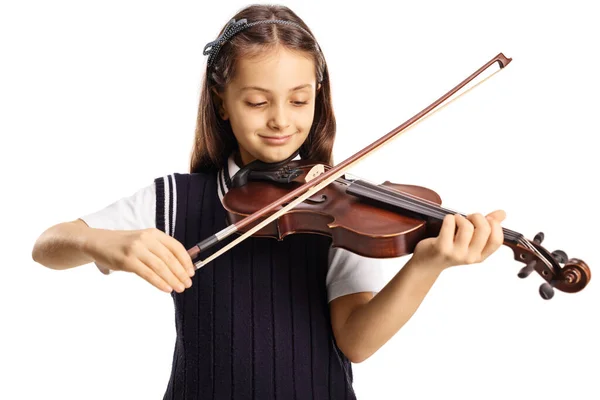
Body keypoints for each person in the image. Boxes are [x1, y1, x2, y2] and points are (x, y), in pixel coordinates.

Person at [31, 4, 505, 399]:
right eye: (258, 102)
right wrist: (109, 245)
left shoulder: (337, 204)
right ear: (221, 102)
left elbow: (356, 342)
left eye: (299, 101)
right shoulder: (177, 197)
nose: (281, 120)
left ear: (318, 97)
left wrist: (426, 265)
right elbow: (49, 245)